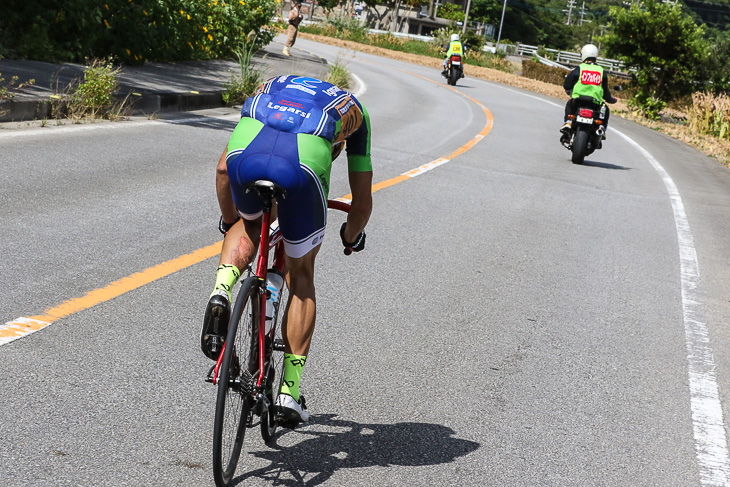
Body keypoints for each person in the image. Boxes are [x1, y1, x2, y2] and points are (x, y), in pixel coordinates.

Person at [201, 75, 373, 424]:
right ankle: (288, 394)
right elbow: (362, 203)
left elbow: (222, 169)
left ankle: (221, 291)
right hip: (304, 164)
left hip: (247, 152)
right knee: (302, 275)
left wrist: (230, 219)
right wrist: (350, 236)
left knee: (247, 226)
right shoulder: (354, 113)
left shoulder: (272, 84)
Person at [561, 43, 617, 137]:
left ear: (583, 55)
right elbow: (605, 91)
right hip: (595, 103)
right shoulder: (601, 71)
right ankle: (601, 128)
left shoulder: (580, 68)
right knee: (605, 109)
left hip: (579, 100)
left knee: (569, 104)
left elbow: (567, 85)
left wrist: (569, 89)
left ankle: (568, 122)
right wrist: (611, 99)